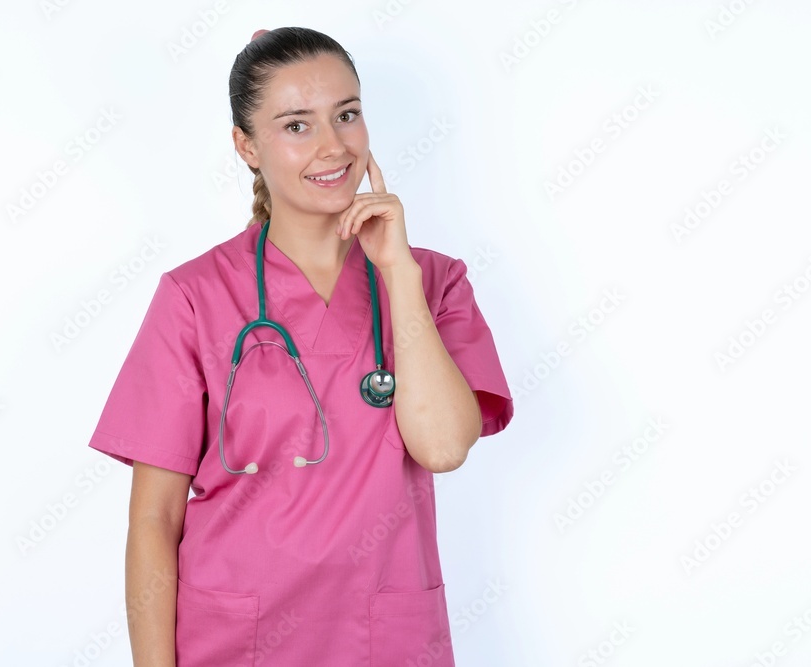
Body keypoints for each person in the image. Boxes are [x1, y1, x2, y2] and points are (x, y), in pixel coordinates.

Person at [87, 26, 514, 666]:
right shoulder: (193, 298)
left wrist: (396, 272)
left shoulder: (433, 280)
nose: (332, 145)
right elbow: (154, 521)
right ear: (246, 146)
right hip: (236, 640)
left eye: (347, 115)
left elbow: (444, 445)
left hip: (385, 637)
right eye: (296, 126)